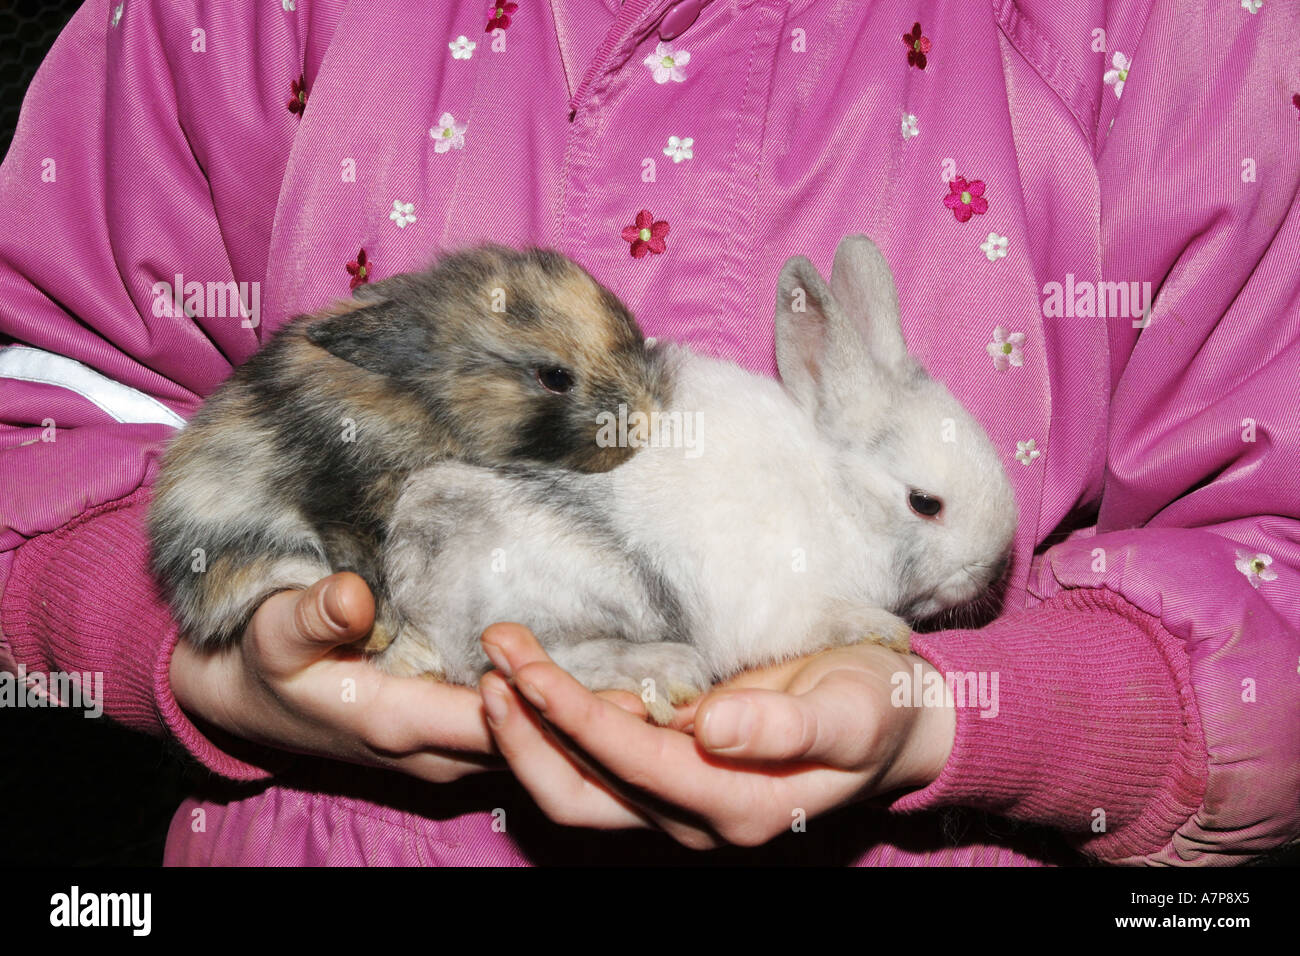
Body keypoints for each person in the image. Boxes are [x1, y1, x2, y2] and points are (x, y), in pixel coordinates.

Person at [1, 0, 1296, 866]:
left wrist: (975, 718)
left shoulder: (1172, 40)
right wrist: (206, 652)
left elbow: (1270, 554)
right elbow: (51, 415)